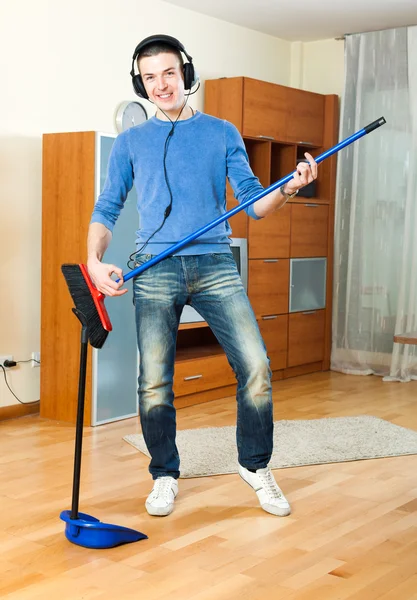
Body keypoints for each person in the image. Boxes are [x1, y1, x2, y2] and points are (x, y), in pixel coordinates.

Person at [87, 34, 317, 518]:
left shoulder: (221, 132)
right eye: (149, 77)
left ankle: (255, 467)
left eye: (169, 73)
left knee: (255, 366)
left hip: (215, 264)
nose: (161, 85)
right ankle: (165, 474)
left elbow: (255, 202)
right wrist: (93, 259)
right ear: (140, 82)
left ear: (185, 74)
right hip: (155, 267)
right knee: (154, 381)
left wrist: (290, 188)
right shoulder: (131, 143)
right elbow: (107, 209)